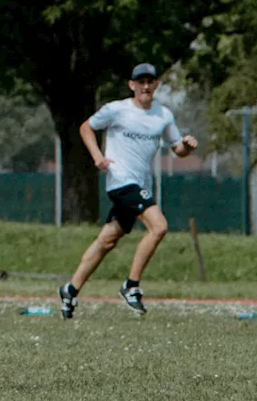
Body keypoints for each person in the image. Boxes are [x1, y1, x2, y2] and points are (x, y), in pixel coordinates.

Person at [58, 64, 197, 319]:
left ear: (156, 85)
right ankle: (131, 286)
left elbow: (177, 148)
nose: (145, 86)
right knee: (159, 226)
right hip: (121, 181)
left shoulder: (163, 115)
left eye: (150, 81)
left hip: (138, 185)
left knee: (107, 240)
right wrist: (98, 156)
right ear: (131, 85)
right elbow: (85, 127)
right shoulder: (117, 109)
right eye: (140, 81)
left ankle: (70, 289)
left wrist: (187, 147)